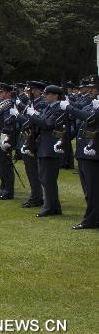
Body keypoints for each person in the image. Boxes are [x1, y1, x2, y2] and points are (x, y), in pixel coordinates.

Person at [26, 85, 66, 217]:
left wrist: (33, 116)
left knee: (48, 179)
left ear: (56, 95)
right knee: (45, 178)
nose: (44, 96)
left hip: (50, 147)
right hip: (44, 146)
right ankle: (54, 206)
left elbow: (48, 124)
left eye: (47, 94)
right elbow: (42, 121)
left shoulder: (58, 108)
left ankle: (49, 206)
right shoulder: (49, 108)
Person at [64, 76, 98, 229]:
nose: (89, 91)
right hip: (84, 151)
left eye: (93, 89)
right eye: (89, 88)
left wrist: (68, 107)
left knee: (92, 190)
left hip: (93, 152)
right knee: (87, 189)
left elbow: (88, 117)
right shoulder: (91, 104)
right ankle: (94, 218)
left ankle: (90, 221)